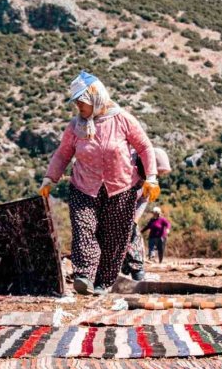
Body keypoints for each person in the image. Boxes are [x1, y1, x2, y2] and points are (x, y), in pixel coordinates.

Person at [40, 71, 159, 295]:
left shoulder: (123, 119)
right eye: (76, 104)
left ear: (96, 97)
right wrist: (50, 178)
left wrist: (151, 178)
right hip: (84, 187)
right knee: (84, 228)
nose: (79, 108)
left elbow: (144, 147)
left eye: (81, 103)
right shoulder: (76, 125)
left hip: (121, 189)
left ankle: (104, 282)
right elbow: (63, 154)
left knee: (115, 238)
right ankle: (84, 275)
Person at [121, 146, 171, 280]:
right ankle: (122, 269)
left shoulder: (150, 181)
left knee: (133, 236)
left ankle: (136, 270)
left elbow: (143, 200)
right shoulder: (127, 164)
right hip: (113, 204)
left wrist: (134, 221)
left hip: (131, 213)